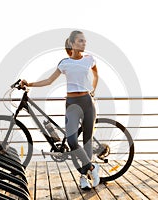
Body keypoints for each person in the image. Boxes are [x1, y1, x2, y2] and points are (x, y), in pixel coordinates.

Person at [21, 30, 99, 190]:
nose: (84, 43)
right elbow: (49, 81)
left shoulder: (90, 59)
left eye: (84, 41)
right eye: (80, 41)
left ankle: (84, 177)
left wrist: (93, 90)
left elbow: (96, 75)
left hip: (87, 102)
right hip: (72, 103)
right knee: (71, 141)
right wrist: (30, 84)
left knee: (87, 141)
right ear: (72, 44)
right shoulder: (64, 63)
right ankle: (92, 168)